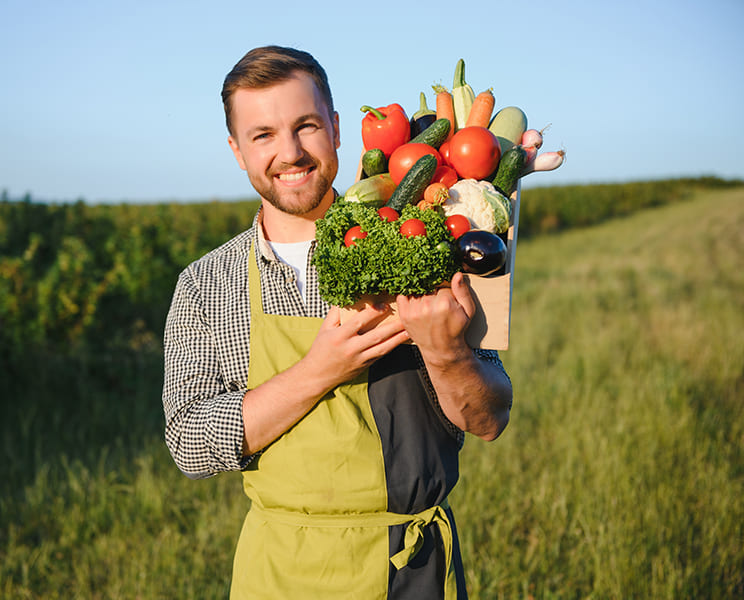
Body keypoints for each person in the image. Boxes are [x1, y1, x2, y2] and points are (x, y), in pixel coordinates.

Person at [162, 45, 512, 599]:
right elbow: (190, 444)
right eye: (263, 135)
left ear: (337, 129)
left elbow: (491, 418)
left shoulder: (422, 246)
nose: (290, 152)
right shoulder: (209, 284)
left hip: (411, 571)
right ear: (237, 151)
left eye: (305, 126)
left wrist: (448, 354)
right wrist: (320, 369)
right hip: (280, 575)